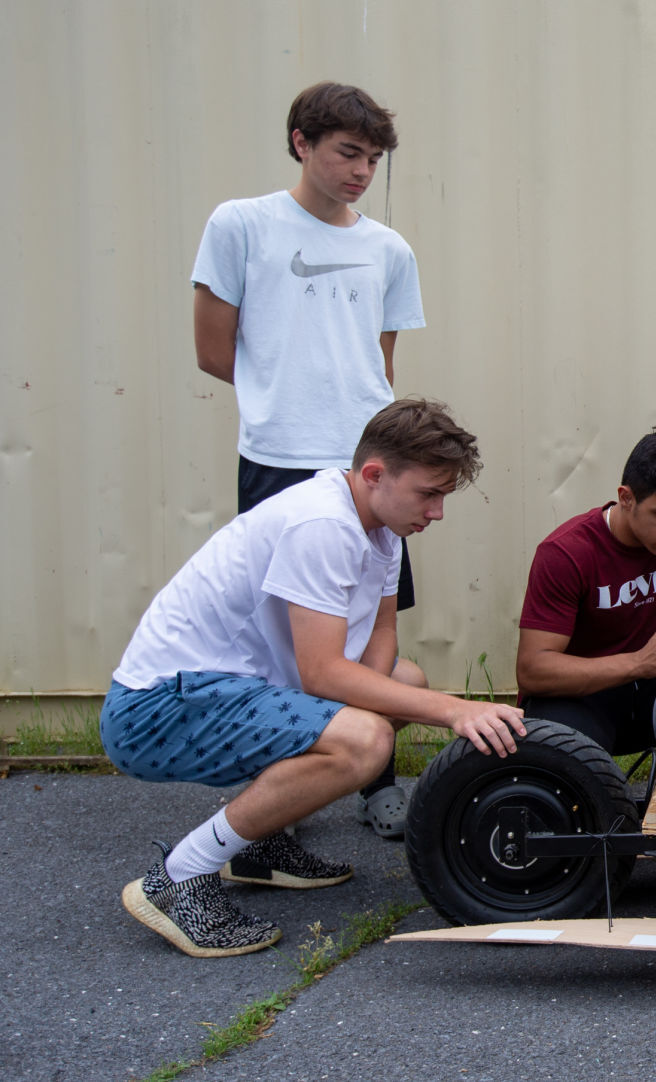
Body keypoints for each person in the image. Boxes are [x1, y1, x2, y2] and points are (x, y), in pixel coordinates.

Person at [103, 400, 524, 958]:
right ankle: (179, 877)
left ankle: (260, 844)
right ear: (374, 474)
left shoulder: (383, 529)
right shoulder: (322, 525)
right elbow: (323, 673)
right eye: (429, 493)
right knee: (365, 739)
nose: (438, 512)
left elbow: (380, 645)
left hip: (232, 690)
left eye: (444, 495)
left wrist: (394, 710)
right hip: (155, 709)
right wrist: (454, 710)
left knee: (405, 683)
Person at [191, 81, 426, 836]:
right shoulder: (241, 225)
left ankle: (375, 777)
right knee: (277, 644)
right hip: (278, 458)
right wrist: (283, 396)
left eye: (373, 159)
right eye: (346, 153)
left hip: (367, 468)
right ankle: (276, 799)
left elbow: (378, 369)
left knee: (372, 634)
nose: (361, 170)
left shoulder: (389, 249)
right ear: (301, 142)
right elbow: (212, 352)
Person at [515, 424, 656, 754]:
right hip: (578, 697)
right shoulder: (566, 553)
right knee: (573, 760)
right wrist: (639, 662)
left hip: (651, 686)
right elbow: (533, 671)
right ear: (626, 498)